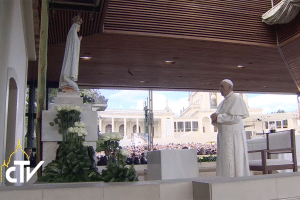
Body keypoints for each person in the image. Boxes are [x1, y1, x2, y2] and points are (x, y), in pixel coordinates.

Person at [210, 79, 250, 177]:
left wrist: (218, 117)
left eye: (222, 87)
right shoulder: (222, 103)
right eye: (220, 87)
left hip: (234, 136)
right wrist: (214, 119)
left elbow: (236, 118)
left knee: (235, 161)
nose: (220, 89)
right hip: (224, 136)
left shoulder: (237, 99)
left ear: (230, 88)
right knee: (225, 160)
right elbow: (220, 120)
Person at [59, 15, 83, 93]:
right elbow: (74, 44)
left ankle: (66, 79)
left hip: (72, 54)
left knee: (75, 87)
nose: (79, 29)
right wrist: (78, 41)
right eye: (78, 28)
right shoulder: (73, 33)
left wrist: (78, 41)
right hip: (71, 56)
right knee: (76, 87)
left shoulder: (73, 34)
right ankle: (66, 79)